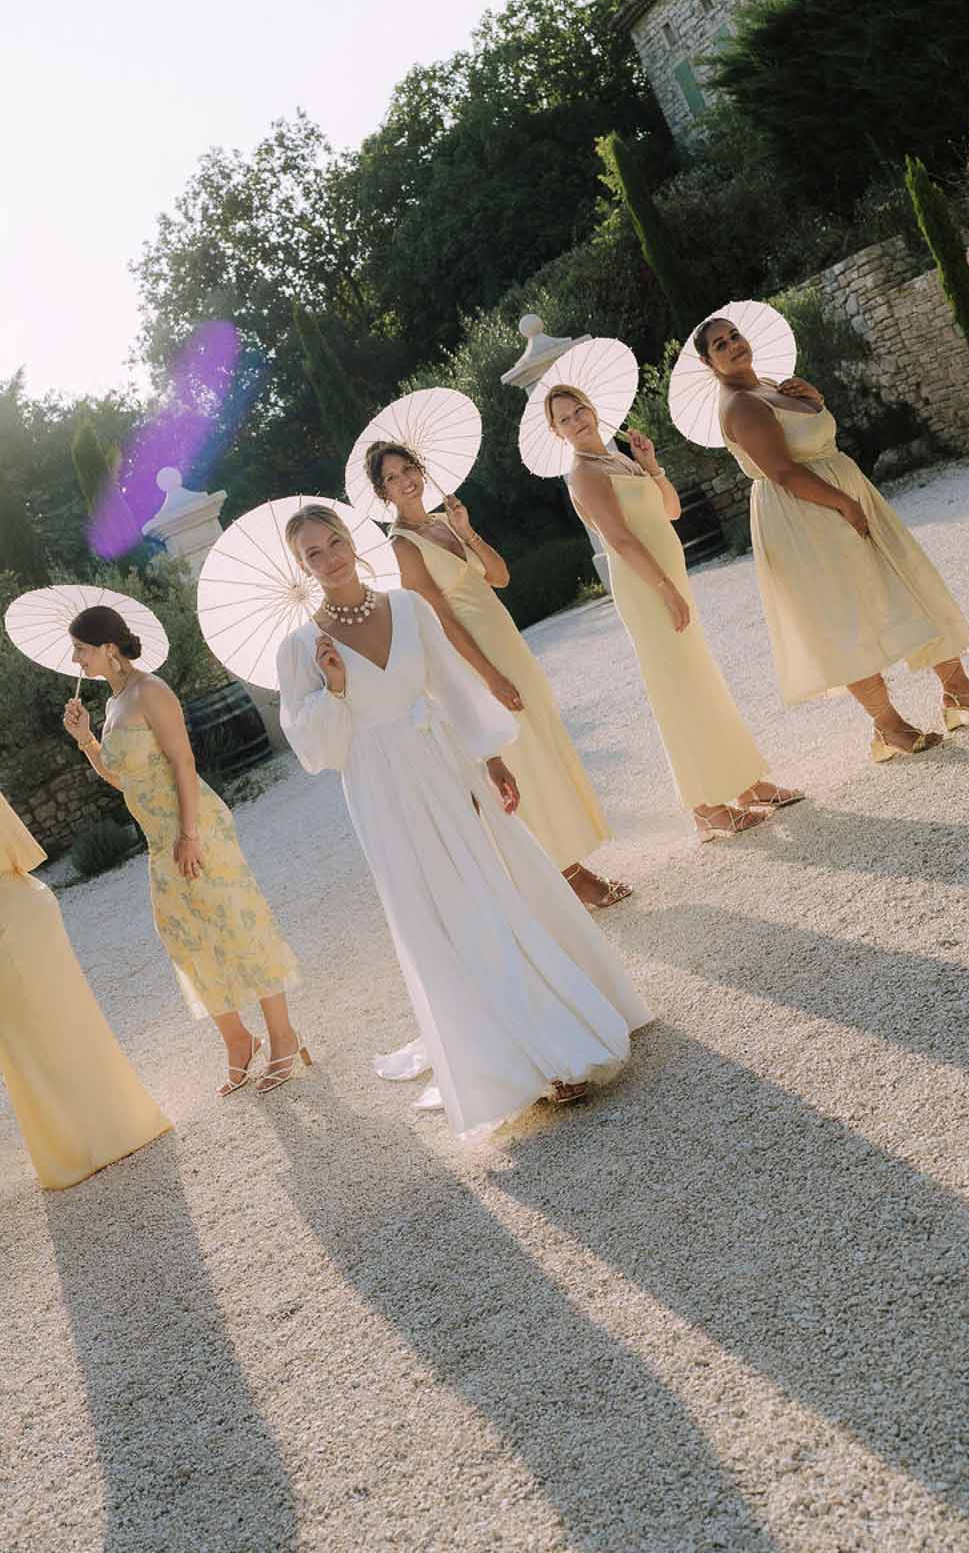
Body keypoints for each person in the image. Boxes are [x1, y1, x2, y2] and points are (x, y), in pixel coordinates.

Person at [275, 503, 650, 1139]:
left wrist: (493, 761)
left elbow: (450, 686)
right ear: (302, 568)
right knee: (441, 911)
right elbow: (317, 751)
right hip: (380, 787)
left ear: (351, 541)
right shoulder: (302, 647)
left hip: (446, 763)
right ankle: (518, 1060)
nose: (329, 558)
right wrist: (334, 688)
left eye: (334, 542)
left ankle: (556, 1027)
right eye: (313, 554)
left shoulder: (411, 608)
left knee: (494, 889)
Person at [695, 316, 969, 755]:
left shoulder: (769, 384)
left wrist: (815, 402)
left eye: (734, 336)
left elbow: (812, 436)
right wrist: (842, 503)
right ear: (709, 362)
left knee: (905, 580)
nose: (732, 346)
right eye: (719, 345)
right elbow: (783, 472)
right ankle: (887, 725)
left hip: (845, 490)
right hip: (807, 513)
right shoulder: (740, 405)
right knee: (843, 615)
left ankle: (959, 690)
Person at [0, 709, 171, 1187]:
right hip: (9, 926)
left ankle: (98, 1136)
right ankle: (86, 1135)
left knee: (42, 1032)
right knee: (37, 1034)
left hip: (6, 931)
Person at [367, 439, 629, 907]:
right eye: (392, 477)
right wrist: (488, 676)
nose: (405, 480)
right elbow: (441, 616)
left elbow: (500, 577)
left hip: (507, 642)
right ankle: (565, 876)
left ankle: (565, 864)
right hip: (472, 658)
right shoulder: (401, 546)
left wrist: (467, 532)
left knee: (541, 744)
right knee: (518, 755)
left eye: (409, 468)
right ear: (382, 492)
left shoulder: (447, 520)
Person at [61, 605, 306, 1096]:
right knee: (185, 937)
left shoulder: (151, 691)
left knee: (235, 923)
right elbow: (122, 778)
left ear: (109, 648)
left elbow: (183, 759)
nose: (76, 659)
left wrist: (189, 833)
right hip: (157, 838)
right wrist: (86, 738)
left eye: (82, 649)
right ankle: (239, 1042)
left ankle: (284, 1036)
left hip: (193, 827)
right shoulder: (113, 704)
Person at [548, 387, 803, 839]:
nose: (576, 421)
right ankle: (705, 806)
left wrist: (649, 465)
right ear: (556, 431)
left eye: (579, 409)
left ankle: (743, 783)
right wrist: (664, 588)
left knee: (701, 680)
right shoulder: (584, 474)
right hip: (647, 589)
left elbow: (670, 508)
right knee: (677, 690)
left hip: (667, 578)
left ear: (592, 407)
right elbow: (621, 541)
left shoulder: (619, 459)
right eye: (564, 419)